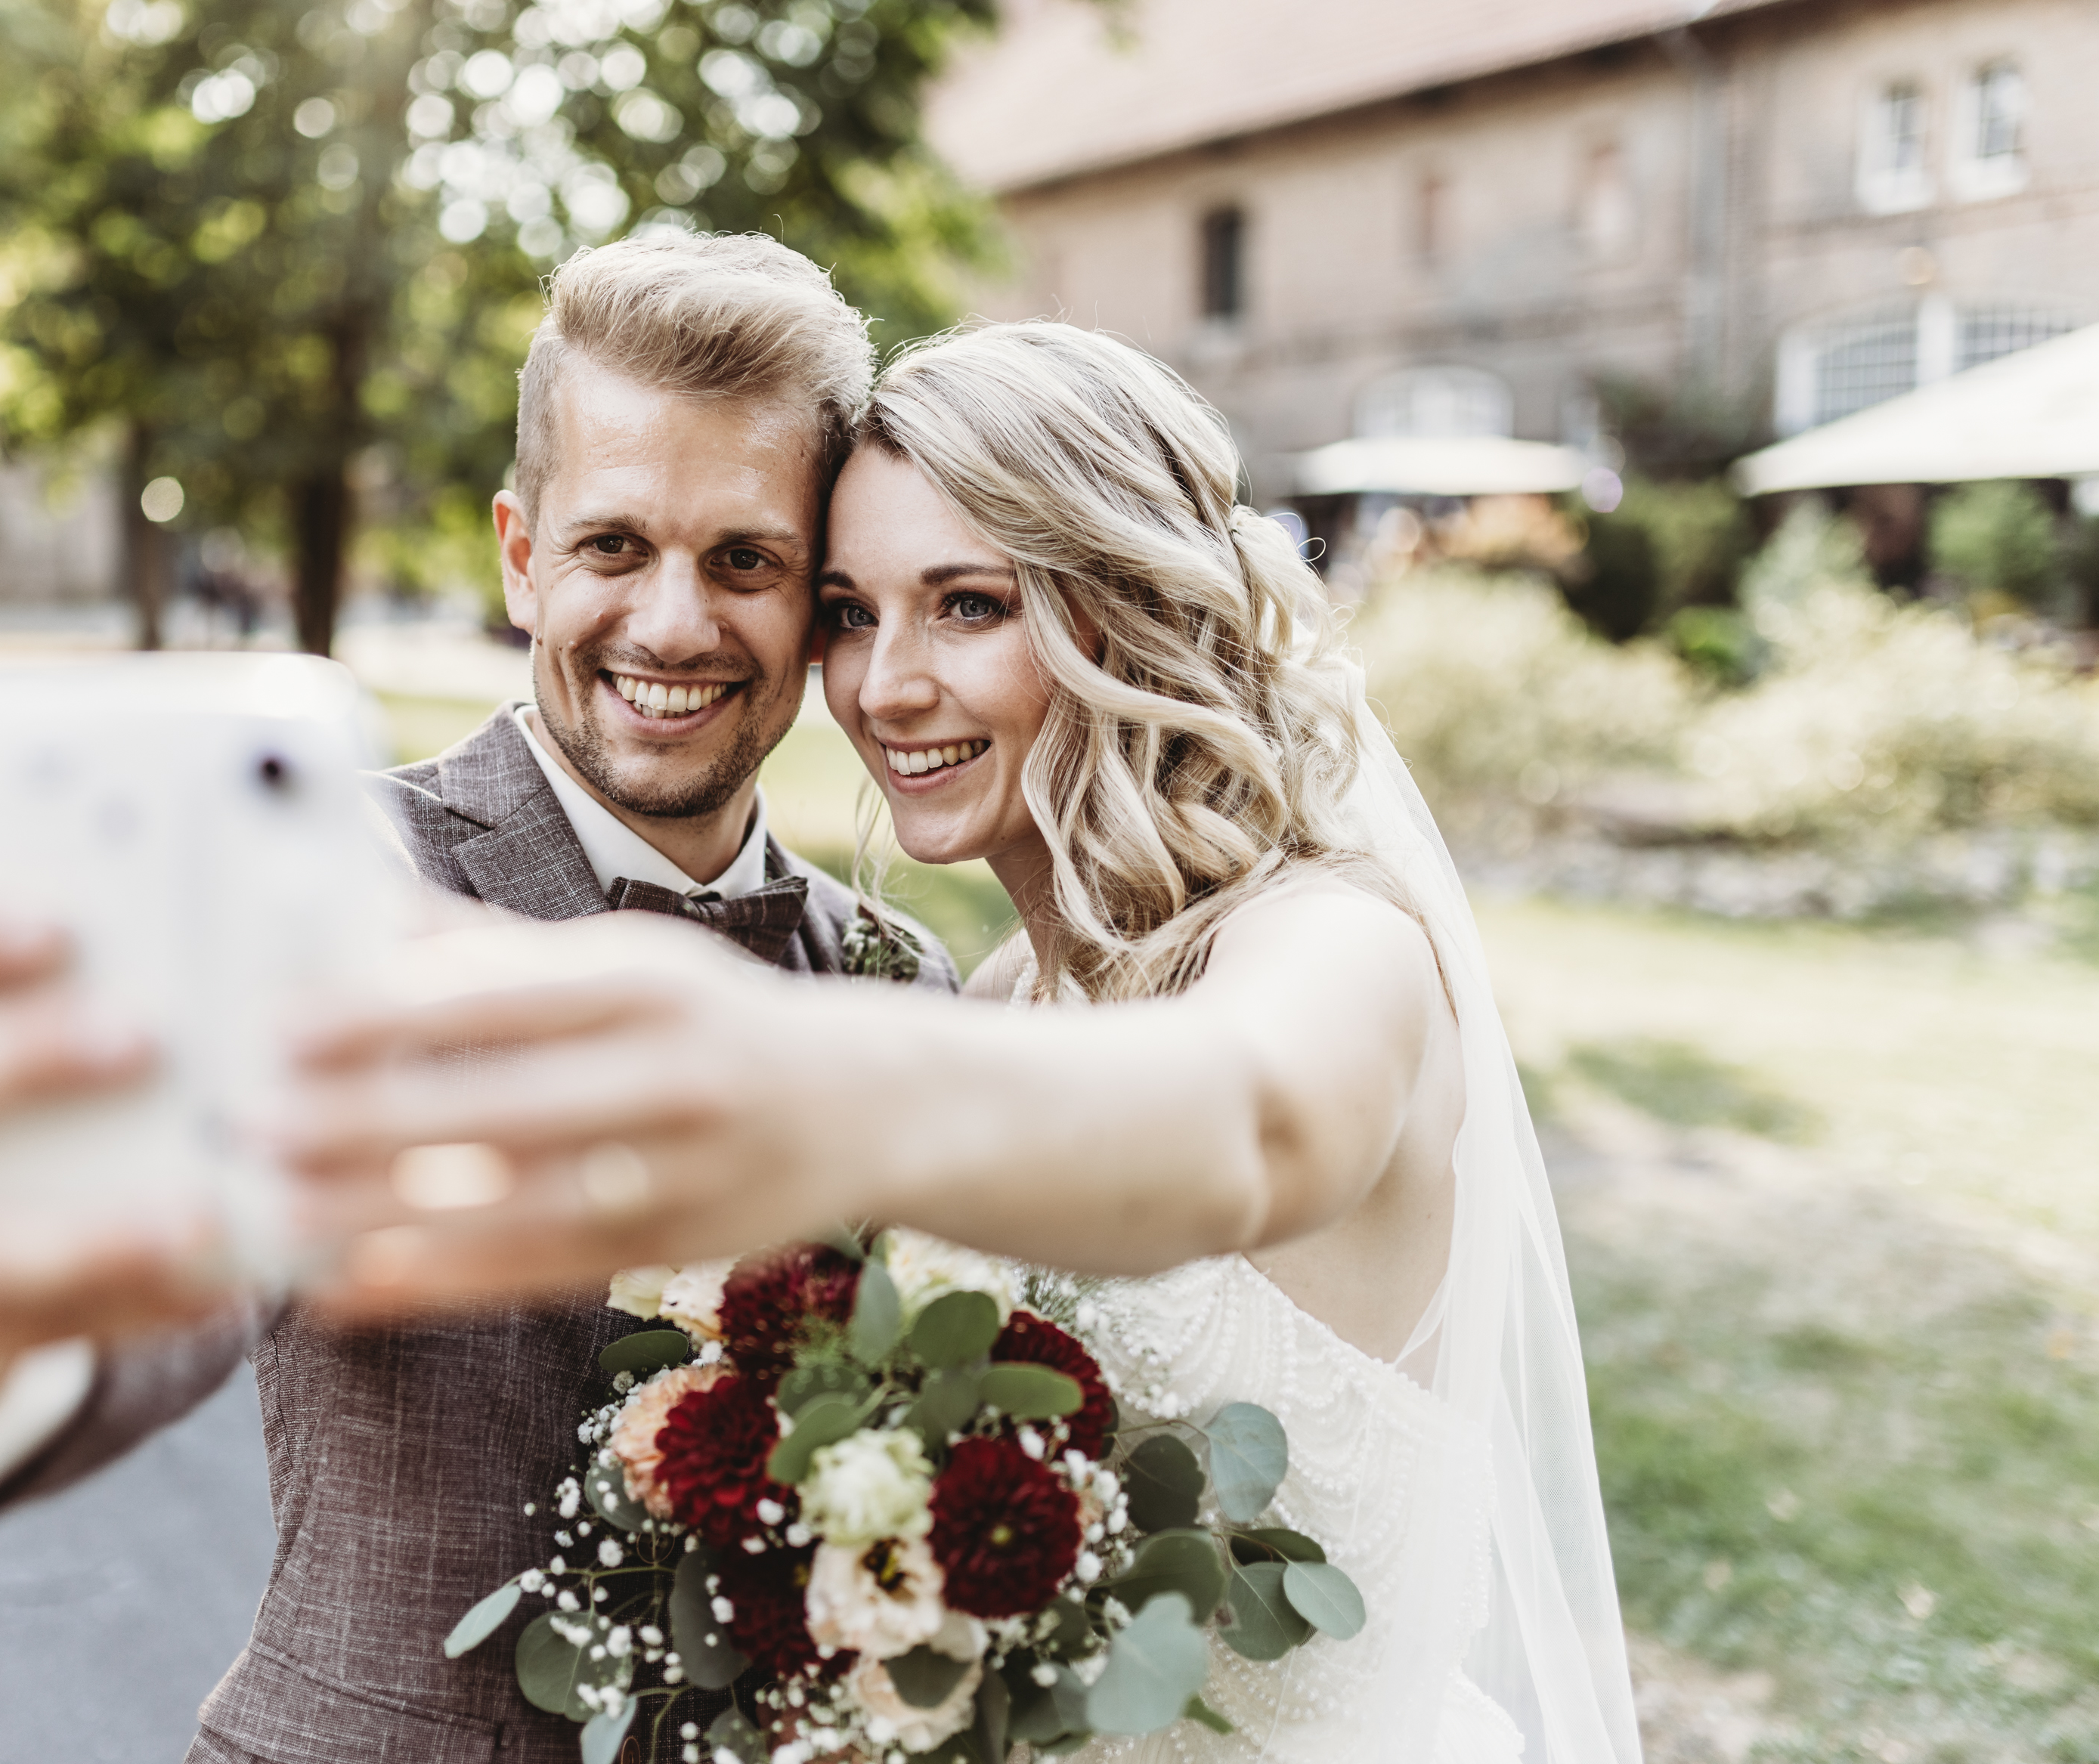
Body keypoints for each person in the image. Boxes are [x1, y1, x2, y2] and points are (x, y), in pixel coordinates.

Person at [270, 324, 1643, 1763]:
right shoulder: (984, 1002)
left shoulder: (1333, 942)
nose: (886, 686)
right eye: (854, 611)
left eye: (969, 604)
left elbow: (1249, 1126)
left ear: (1124, 605)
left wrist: (780, 1073)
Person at [0, 232, 955, 1764]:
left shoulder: (895, 978)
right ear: (520, 554)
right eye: (610, 548)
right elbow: (147, 1301)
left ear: (819, 595)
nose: (671, 624)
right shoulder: (325, 890)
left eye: (743, 561)